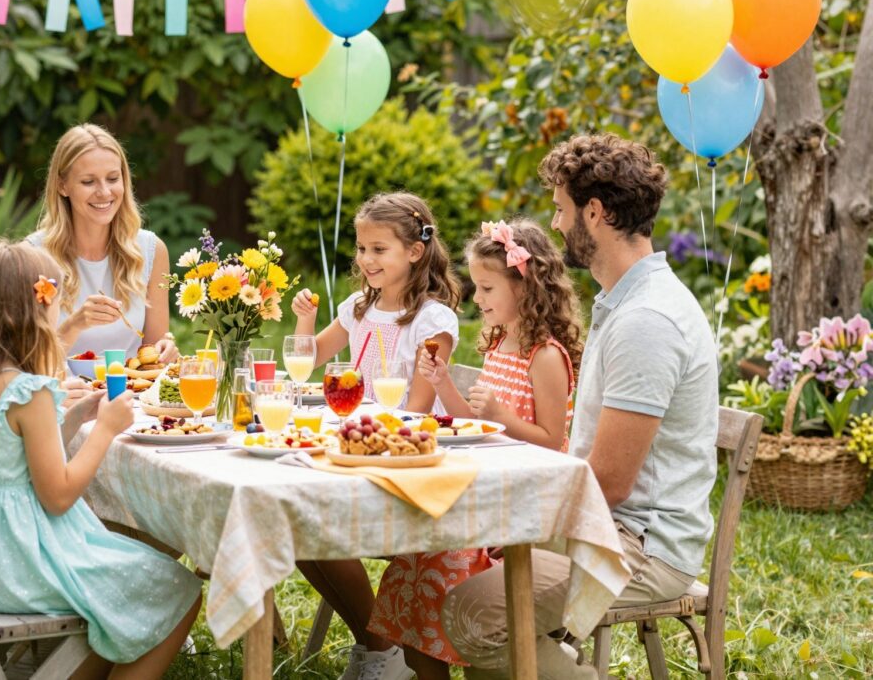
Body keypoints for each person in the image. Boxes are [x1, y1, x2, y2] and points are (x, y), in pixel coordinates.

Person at [441, 134, 719, 679]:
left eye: (562, 209)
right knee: (467, 568)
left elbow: (610, 483)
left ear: (594, 212)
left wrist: (524, 509)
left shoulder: (647, 322)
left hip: (637, 546)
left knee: (474, 611)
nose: (558, 223)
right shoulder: (625, 302)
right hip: (605, 522)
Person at [0, 241, 201, 676]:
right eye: (54, 307)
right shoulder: (30, 392)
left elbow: (11, 458)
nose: (58, 318)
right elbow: (58, 495)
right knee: (180, 588)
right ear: (27, 315)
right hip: (23, 563)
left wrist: (77, 414)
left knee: (124, 596)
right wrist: (104, 429)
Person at [369, 217, 583, 679]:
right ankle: (422, 663)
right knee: (412, 563)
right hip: (485, 494)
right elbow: (475, 420)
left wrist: (506, 419)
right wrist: (443, 383)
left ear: (524, 286)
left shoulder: (544, 355)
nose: (477, 299)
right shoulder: (501, 342)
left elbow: (553, 443)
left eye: (487, 289)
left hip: (521, 510)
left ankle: (463, 655)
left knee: (436, 567)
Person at [290, 191, 462, 680]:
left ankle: (380, 650)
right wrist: (304, 319)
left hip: (403, 468)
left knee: (315, 526)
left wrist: (364, 434)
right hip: (357, 451)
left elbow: (417, 415)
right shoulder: (358, 307)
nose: (366, 260)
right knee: (300, 528)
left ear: (415, 251)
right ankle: (378, 646)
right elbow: (310, 358)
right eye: (362, 248)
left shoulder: (432, 321)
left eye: (379, 249)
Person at [30, 124, 176, 363]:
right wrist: (75, 324)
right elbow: (28, 361)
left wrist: (164, 350)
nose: (104, 192)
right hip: (62, 397)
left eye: (112, 178)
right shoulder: (34, 256)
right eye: (88, 182)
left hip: (130, 397)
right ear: (62, 185)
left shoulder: (151, 250)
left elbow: (151, 356)